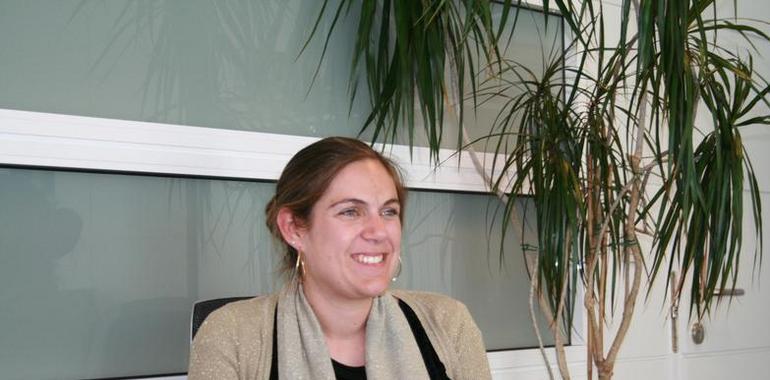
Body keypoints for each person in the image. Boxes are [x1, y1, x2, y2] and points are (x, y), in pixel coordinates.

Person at [188, 137, 491, 379]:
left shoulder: (448, 323)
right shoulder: (233, 335)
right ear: (294, 228)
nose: (378, 232)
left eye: (389, 211)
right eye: (350, 211)